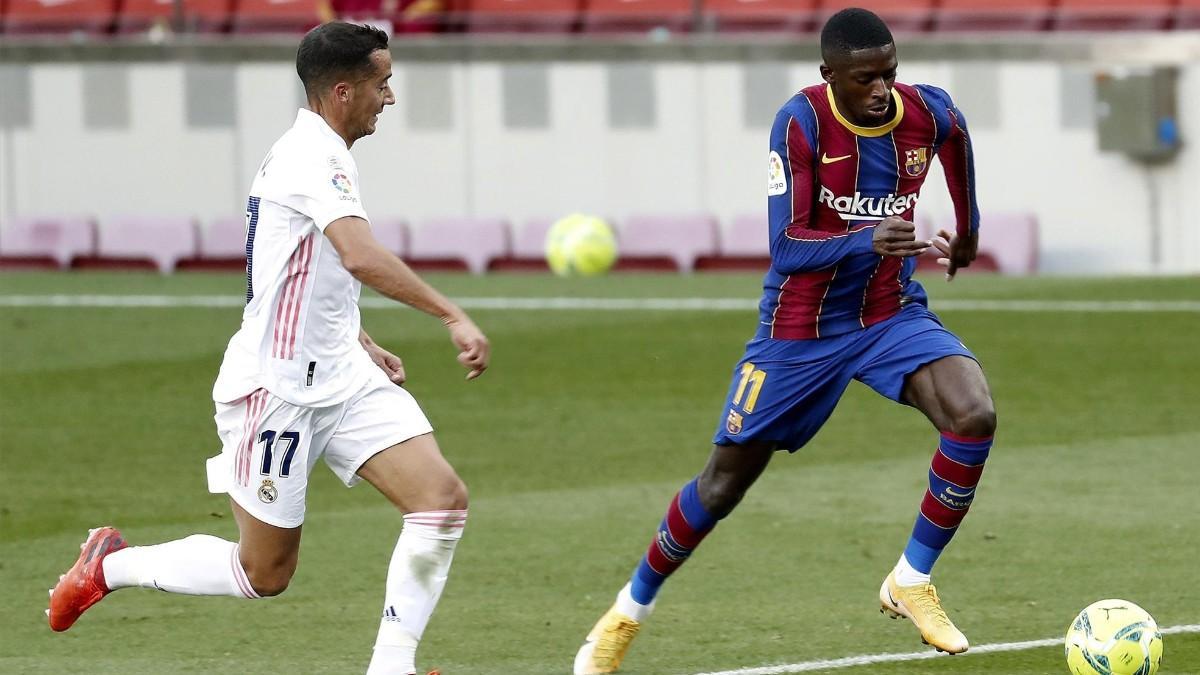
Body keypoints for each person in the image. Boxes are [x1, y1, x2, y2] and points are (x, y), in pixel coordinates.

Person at [47, 22, 489, 675]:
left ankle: (390, 666)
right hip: (275, 388)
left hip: (339, 372)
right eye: (382, 83)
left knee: (441, 500)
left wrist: (357, 337)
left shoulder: (320, 150)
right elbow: (359, 255)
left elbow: (294, 267)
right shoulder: (312, 157)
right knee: (263, 571)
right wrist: (451, 313)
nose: (389, 97)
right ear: (343, 91)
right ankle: (110, 564)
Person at [573, 7, 996, 674]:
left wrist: (968, 230)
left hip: (889, 313)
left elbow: (958, 137)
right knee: (721, 486)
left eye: (890, 74)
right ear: (830, 75)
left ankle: (911, 578)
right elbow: (785, 244)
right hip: (799, 330)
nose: (883, 90)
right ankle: (628, 609)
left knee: (973, 412)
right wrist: (866, 237)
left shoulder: (926, 111)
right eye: (866, 79)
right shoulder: (800, 122)